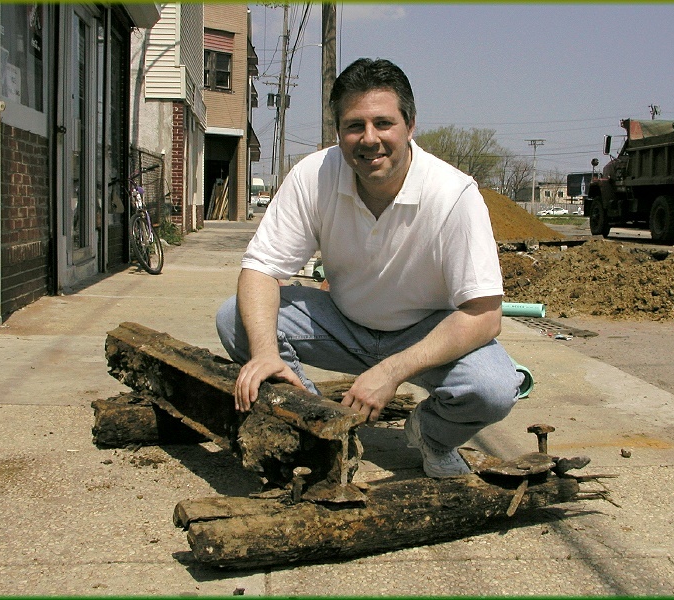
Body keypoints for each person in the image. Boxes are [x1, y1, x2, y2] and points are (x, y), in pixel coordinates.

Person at [217, 58, 524, 478]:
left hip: (424, 331)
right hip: (342, 321)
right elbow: (260, 269)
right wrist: (267, 353)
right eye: (354, 126)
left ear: (410, 125)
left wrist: (391, 371)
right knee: (236, 318)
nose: (370, 139)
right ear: (338, 132)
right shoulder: (314, 176)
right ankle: (318, 426)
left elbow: (485, 316)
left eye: (384, 123)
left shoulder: (453, 195)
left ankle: (431, 434)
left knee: (493, 387)